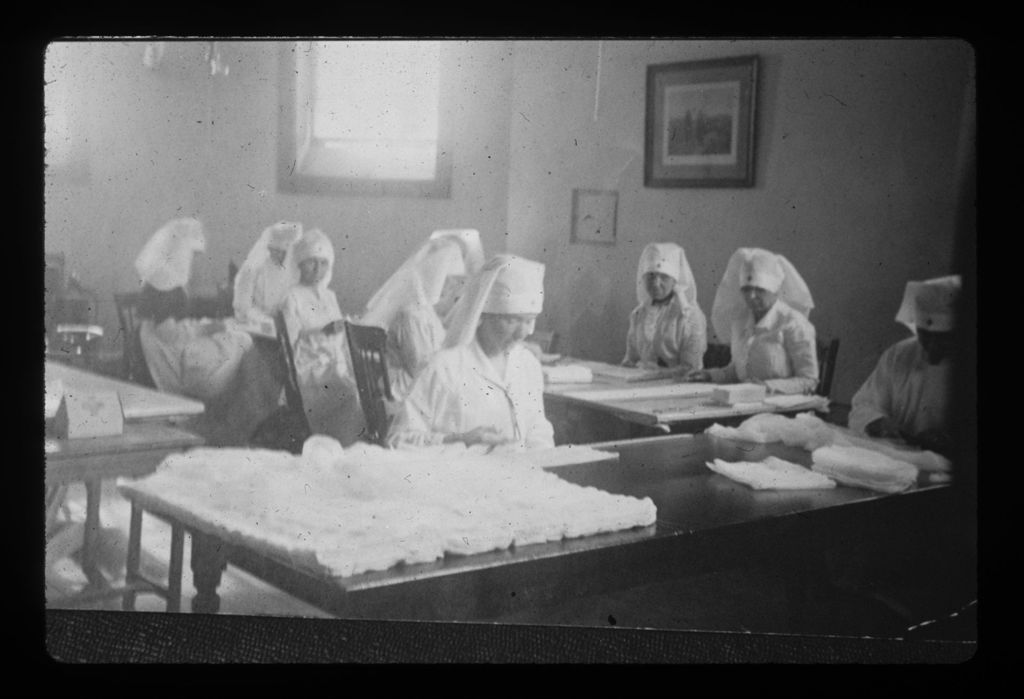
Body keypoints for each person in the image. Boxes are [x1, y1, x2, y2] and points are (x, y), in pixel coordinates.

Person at [387, 253, 555, 451]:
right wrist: (458, 439)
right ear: (482, 315)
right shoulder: (445, 368)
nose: (523, 333)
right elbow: (399, 440)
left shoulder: (528, 366)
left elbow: (538, 434)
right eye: (512, 320)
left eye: (529, 321)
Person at [134, 218, 253, 401]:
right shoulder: (166, 286)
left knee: (229, 341)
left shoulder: (166, 279)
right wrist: (204, 329)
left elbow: (174, 327)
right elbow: (170, 336)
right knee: (235, 345)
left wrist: (203, 328)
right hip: (164, 353)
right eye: (192, 256)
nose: (193, 262)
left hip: (164, 343)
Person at [360, 229, 484, 400]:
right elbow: (420, 369)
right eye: (448, 281)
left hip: (420, 387)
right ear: (434, 278)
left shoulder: (426, 313)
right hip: (407, 393)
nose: (452, 288)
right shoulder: (412, 315)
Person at [848, 275, 960, 457]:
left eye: (942, 339)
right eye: (925, 335)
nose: (932, 346)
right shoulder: (900, 354)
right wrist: (877, 422)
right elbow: (863, 405)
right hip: (900, 459)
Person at [684, 247, 819, 395]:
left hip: (781, 406)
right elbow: (738, 371)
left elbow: (809, 380)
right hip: (745, 401)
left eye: (759, 289)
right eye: (746, 289)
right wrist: (710, 375)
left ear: (775, 290)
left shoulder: (793, 323)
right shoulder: (741, 320)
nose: (751, 296)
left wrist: (766, 386)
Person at [280, 228, 366, 446]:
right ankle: (343, 446)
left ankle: (356, 445)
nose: (318, 269)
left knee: (367, 388)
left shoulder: (329, 296)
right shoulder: (293, 297)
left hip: (333, 367)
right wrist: (321, 333)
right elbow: (288, 344)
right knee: (351, 394)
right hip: (309, 372)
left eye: (324, 263)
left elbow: (339, 338)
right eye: (311, 262)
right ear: (299, 264)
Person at [622, 242, 707, 373]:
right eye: (651, 276)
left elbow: (691, 368)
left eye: (664, 277)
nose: (656, 283)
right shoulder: (638, 314)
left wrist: (657, 373)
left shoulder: (689, 317)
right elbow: (630, 360)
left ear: (675, 280)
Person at [232, 221, 302, 330]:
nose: (277, 255)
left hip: (285, 325)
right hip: (254, 324)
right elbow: (243, 307)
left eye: (282, 252)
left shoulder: (296, 270)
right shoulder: (252, 268)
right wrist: (266, 321)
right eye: (273, 250)